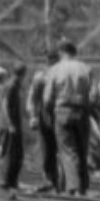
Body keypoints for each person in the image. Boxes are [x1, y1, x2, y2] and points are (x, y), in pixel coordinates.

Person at [41, 40, 96, 195]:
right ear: (74, 52)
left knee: (67, 150)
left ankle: (73, 187)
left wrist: (48, 113)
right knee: (82, 149)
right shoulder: (86, 68)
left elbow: (47, 98)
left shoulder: (55, 69)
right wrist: (86, 108)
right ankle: (84, 187)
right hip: (81, 111)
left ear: (60, 52)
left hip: (62, 111)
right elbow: (94, 95)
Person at [28, 52, 60, 193]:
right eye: (49, 59)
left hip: (59, 115)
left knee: (62, 149)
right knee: (47, 150)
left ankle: (60, 181)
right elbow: (33, 98)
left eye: (53, 59)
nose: (51, 62)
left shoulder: (62, 74)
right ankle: (50, 180)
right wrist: (33, 116)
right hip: (45, 116)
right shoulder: (40, 77)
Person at [0, 63, 28, 191]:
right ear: (23, 73)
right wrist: (10, 124)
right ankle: (4, 181)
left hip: (15, 124)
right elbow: (5, 106)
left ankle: (12, 180)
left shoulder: (17, 86)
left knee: (18, 154)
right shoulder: (11, 86)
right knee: (9, 152)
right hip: (9, 125)